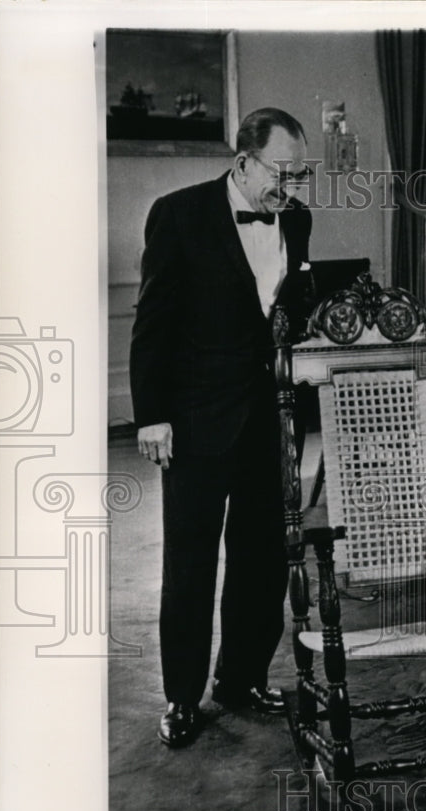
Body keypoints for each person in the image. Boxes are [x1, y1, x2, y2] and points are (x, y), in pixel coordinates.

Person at [130, 107, 313, 747]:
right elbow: (152, 322)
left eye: (298, 173)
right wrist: (151, 414)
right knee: (190, 564)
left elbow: (289, 315)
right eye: (280, 172)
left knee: (262, 560)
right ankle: (182, 697)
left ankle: (241, 680)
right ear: (243, 160)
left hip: (270, 422)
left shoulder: (298, 220)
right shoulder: (178, 214)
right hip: (196, 421)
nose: (288, 187)